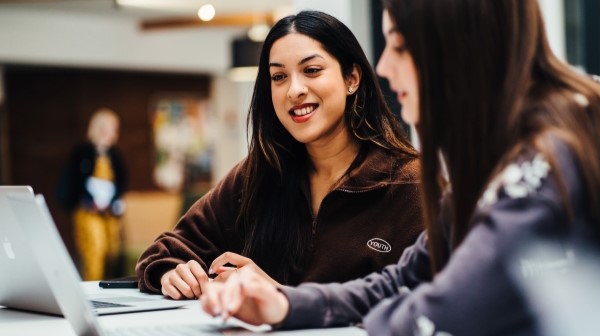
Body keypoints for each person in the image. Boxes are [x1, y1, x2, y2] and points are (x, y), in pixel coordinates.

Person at [198, 1, 600, 335]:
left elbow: (436, 315)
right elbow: (408, 279)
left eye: (401, 47)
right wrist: (284, 304)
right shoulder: (502, 157)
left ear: (459, 51)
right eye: (278, 78)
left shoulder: (548, 163)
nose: (384, 66)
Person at [135, 10, 422, 299]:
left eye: (311, 70)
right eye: (279, 76)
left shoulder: (411, 185)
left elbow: (431, 306)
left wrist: (280, 296)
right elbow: (167, 250)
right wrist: (172, 272)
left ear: (352, 78)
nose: (294, 90)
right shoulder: (260, 172)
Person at [57, 108, 128, 281]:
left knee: (111, 251)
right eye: (113, 128)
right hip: (87, 211)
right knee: (94, 249)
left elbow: (121, 182)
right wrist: (89, 201)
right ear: (102, 128)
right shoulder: (82, 152)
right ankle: (92, 289)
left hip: (109, 212)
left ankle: (109, 289)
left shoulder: (115, 155)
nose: (115, 132)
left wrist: (110, 202)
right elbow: (74, 181)